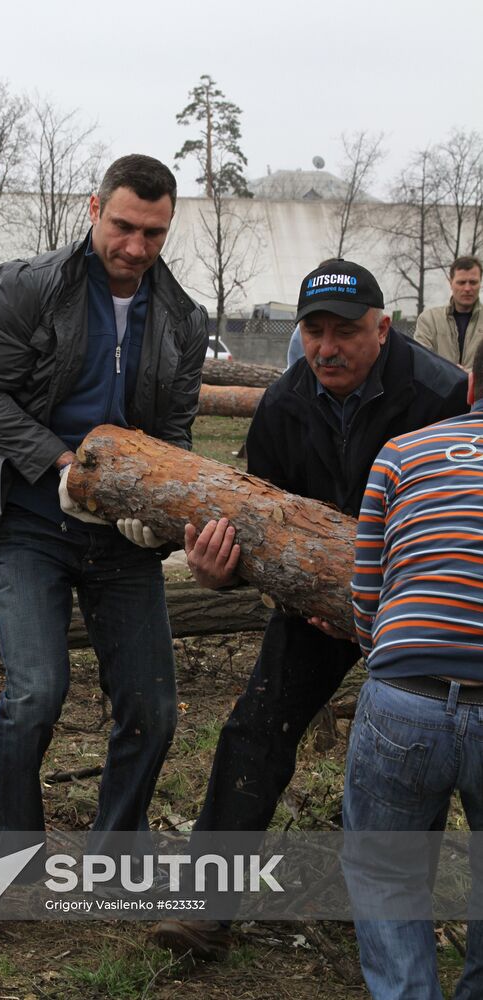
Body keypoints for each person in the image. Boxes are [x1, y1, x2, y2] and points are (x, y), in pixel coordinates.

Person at [154, 258, 469, 960]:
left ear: (382, 329)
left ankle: (402, 933)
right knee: (254, 729)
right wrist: (225, 576)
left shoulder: (439, 396)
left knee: (424, 755)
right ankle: (206, 909)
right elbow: (257, 525)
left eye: (345, 333)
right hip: (317, 606)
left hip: (423, 608)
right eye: (313, 331)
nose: (326, 348)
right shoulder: (284, 405)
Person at [0, 154, 209, 948]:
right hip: (27, 518)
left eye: (153, 232)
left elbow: (178, 433)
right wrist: (64, 466)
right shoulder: (27, 287)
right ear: (94, 208)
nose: (134, 245)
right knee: (34, 695)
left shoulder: (183, 319)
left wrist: (152, 504)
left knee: (154, 710)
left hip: (120, 538)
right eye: (122, 225)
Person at [343, 338, 483, 999]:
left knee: (385, 873)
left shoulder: (401, 453)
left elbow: (365, 598)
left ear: (470, 387)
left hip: (405, 696)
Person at [414, 255, 482, 370]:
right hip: (441, 388)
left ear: (480, 283)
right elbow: (421, 360)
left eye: (473, 282)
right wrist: (454, 375)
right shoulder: (429, 320)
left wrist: (470, 376)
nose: (467, 288)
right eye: (461, 282)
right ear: (450, 283)